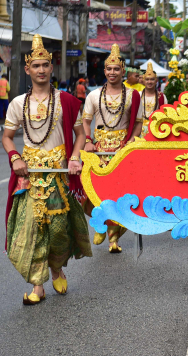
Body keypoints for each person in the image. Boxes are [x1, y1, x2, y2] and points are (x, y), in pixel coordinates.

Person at [2, 34, 92, 305]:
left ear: (52, 68)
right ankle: (37, 284)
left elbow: (80, 135)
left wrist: (75, 157)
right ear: (27, 70)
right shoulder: (18, 103)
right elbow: (7, 137)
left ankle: (57, 269)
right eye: (36, 66)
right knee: (32, 228)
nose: (41, 70)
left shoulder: (65, 100)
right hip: (30, 177)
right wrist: (15, 158)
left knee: (58, 229)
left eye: (45, 65)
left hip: (58, 176)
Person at [83, 44, 143, 252]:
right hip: (99, 150)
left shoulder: (134, 96)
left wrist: (131, 141)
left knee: (121, 194)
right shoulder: (94, 95)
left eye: (116, 69)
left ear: (123, 71)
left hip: (121, 150)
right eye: (109, 69)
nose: (112, 72)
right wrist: (88, 141)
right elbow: (85, 121)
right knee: (94, 192)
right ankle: (100, 224)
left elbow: (138, 123)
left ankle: (113, 238)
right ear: (104, 71)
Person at [140, 62, 166, 137]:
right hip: (139, 129)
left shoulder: (162, 96)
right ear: (143, 81)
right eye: (147, 79)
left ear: (156, 81)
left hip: (155, 130)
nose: (149, 82)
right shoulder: (138, 95)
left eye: (152, 79)